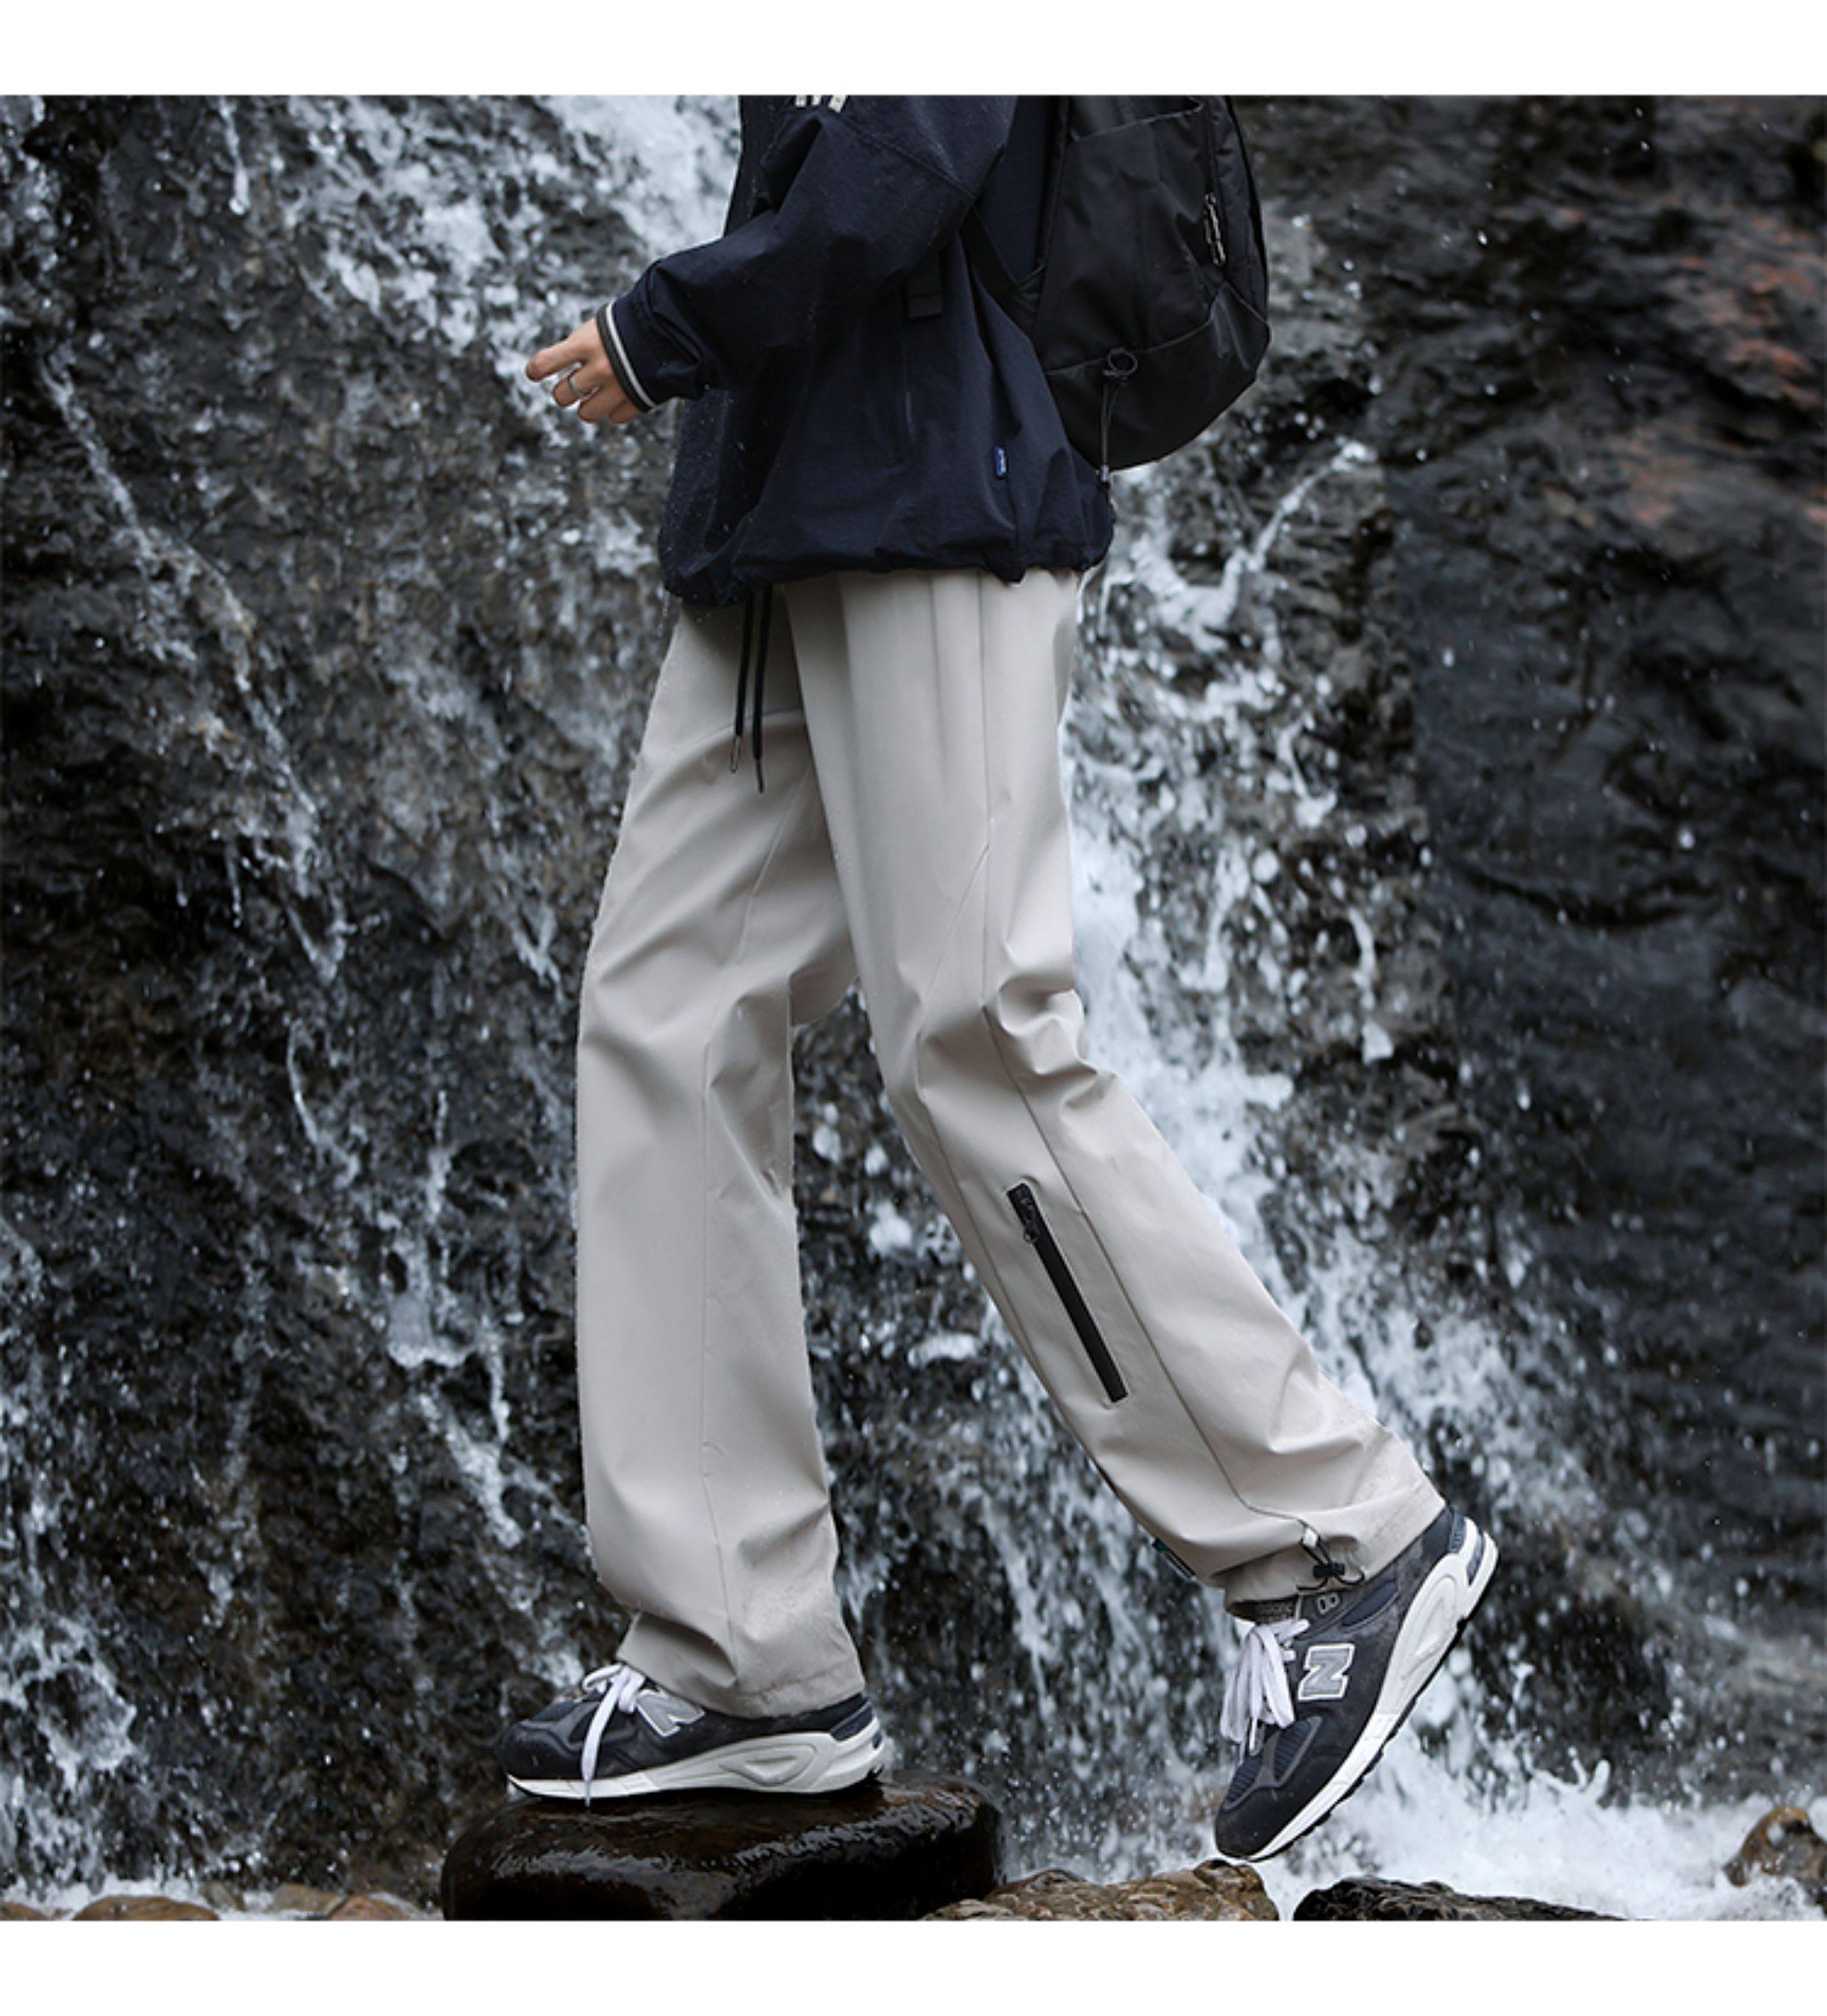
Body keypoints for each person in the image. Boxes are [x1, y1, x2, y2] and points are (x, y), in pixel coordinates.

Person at [500, 94, 1497, 1863]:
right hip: (779, 495)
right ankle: (739, 1661)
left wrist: (664, 327)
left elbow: (912, 145)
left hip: (935, 470)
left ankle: (1337, 1537)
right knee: (664, 1023)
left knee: (975, 1031)